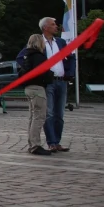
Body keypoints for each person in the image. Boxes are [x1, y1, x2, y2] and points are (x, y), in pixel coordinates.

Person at [39, 17, 72, 151]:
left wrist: (69, 71)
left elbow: (71, 57)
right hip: (48, 82)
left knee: (60, 114)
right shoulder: (38, 41)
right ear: (45, 27)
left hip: (61, 81)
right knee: (50, 113)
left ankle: (57, 141)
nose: (56, 27)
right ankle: (51, 142)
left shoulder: (61, 42)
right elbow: (23, 57)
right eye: (53, 24)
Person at [18, 34, 53, 155]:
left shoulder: (27, 56)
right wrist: (50, 77)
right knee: (39, 116)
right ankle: (35, 145)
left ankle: (31, 143)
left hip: (29, 88)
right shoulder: (39, 57)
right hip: (38, 88)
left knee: (32, 117)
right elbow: (42, 73)